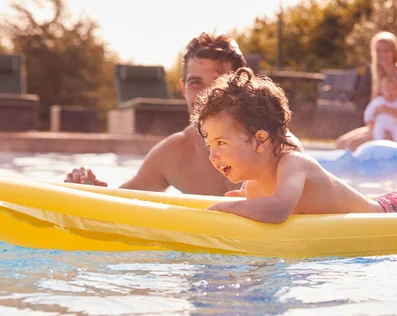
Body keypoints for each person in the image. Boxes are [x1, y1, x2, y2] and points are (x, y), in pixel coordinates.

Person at [192, 67, 397, 224]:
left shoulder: (294, 164)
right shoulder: (253, 186)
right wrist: (244, 203)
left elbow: (279, 210)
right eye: (209, 146)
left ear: (261, 140)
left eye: (221, 143)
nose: (213, 156)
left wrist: (223, 208)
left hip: (392, 214)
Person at [64, 32, 304, 195]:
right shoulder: (172, 155)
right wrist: (89, 189)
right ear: (183, 88)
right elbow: (119, 206)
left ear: (243, 87)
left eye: (220, 82)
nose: (208, 94)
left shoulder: (276, 146)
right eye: (196, 83)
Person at [335, 31, 397, 151]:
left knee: (354, 144)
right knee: (340, 144)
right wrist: (371, 127)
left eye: (386, 50)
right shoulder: (378, 74)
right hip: (380, 125)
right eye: (378, 51)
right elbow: (373, 109)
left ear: (394, 51)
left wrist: (386, 110)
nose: (382, 54)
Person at [364, 74, 397, 144]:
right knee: (378, 131)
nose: (390, 92)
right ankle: (378, 144)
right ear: (382, 90)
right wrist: (368, 120)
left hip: (395, 125)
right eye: (387, 90)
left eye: (393, 90)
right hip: (381, 124)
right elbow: (369, 111)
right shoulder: (378, 101)